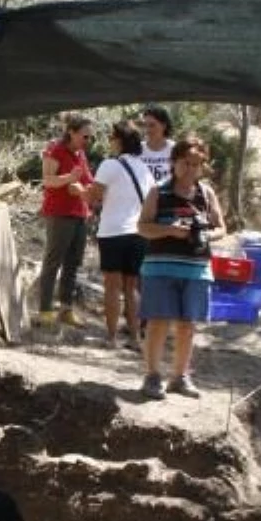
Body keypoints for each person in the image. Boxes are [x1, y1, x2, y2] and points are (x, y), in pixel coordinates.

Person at [137, 134, 226, 399]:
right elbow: (142, 227)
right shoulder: (158, 191)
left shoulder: (206, 193)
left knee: (188, 325)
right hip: (159, 268)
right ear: (174, 162)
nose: (191, 169)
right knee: (157, 323)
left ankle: (180, 377)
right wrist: (169, 230)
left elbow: (222, 227)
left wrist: (206, 235)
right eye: (186, 163)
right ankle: (152, 377)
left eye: (197, 164)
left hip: (196, 269)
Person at [92, 117, 152, 349]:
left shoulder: (109, 165)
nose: (109, 141)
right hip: (138, 233)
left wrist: (78, 190)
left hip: (113, 232)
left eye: (112, 137)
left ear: (119, 141)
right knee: (131, 286)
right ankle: (136, 338)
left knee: (112, 286)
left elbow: (94, 196)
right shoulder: (145, 169)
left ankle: (112, 337)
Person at [37, 113, 94, 328]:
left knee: (73, 263)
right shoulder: (55, 149)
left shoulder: (81, 154)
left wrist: (87, 189)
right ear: (71, 132)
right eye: (84, 136)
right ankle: (45, 310)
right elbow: (48, 180)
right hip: (59, 213)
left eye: (90, 138)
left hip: (80, 213)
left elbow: (88, 181)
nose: (88, 141)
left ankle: (66, 309)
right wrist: (69, 179)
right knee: (53, 262)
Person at [139, 106, 174, 188]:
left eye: (152, 125)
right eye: (145, 125)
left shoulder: (175, 149)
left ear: (164, 126)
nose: (147, 130)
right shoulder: (137, 149)